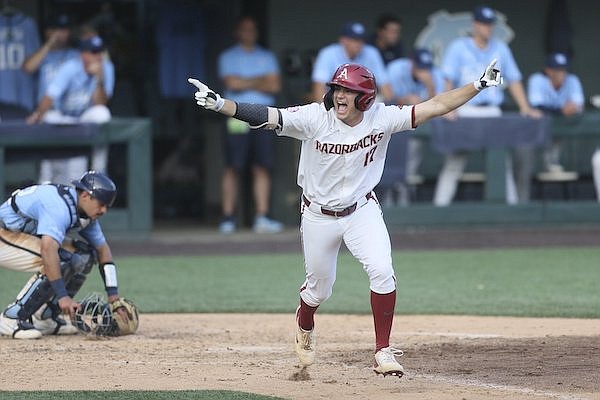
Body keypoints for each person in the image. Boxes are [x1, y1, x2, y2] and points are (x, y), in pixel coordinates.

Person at [188, 58, 503, 376]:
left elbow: (435, 105)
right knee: (318, 290)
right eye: (337, 88)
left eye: (348, 90)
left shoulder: (382, 117)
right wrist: (221, 104)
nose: (339, 95)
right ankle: (305, 320)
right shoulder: (315, 117)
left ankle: (382, 351)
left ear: (364, 97)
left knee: (382, 271)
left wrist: (479, 84)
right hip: (318, 215)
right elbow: (268, 116)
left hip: (361, 210)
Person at [433, 5, 542, 206]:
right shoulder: (459, 46)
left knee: (501, 163)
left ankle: (511, 209)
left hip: (492, 111)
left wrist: (524, 107)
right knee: (454, 164)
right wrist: (449, 107)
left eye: (490, 24)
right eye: (484, 23)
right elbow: (447, 79)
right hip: (466, 111)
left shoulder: (500, 48)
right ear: (475, 24)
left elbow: (515, 79)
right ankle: (439, 207)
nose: (488, 28)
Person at [0, 171, 126, 339]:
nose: (104, 210)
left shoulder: (83, 211)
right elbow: (47, 249)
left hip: (18, 234)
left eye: (107, 206)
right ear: (85, 195)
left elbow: (103, 250)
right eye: (101, 204)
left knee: (85, 255)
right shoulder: (59, 207)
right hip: (4, 233)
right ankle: (12, 317)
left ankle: (45, 318)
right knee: (59, 259)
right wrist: (63, 296)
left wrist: (114, 297)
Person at [217, 16, 283, 234]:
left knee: (261, 166)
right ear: (238, 32)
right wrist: (259, 80)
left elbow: (274, 85)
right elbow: (231, 83)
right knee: (233, 166)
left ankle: (261, 217)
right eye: (245, 29)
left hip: (264, 115)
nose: (249, 33)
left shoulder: (267, 56)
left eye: (252, 29)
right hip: (235, 114)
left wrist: (245, 81)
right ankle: (228, 217)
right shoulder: (228, 56)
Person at [25, 35, 115, 185]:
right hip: (64, 116)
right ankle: (45, 181)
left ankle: (99, 172)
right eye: (93, 52)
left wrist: (98, 78)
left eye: (100, 51)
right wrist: (38, 114)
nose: (98, 56)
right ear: (83, 54)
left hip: (85, 118)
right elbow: (50, 95)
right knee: (50, 119)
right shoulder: (71, 67)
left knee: (103, 114)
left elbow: (101, 103)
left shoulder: (106, 68)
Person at [383, 48, 445, 204]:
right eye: (420, 67)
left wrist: (430, 86)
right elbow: (386, 98)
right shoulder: (396, 68)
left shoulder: (434, 75)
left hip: (414, 125)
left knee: (411, 158)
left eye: (426, 68)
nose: (423, 71)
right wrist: (405, 100)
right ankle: (388, 192)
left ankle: (404, 192)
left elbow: (437, 105)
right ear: (411, 63)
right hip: (392, 122)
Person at [310, 21, 393, 103]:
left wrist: (388, 107)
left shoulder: (371, 53)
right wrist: (325, 112)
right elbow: (319, 86)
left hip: (362, 103)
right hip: (336, 101)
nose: (359, 44)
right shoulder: (328, 53)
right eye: (355, 40)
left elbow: (384, 84)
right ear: (343, 40)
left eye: (361, 40)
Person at [527, 52, 584, 172]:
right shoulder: (537, 80)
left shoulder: (572, 80)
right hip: (538, 134)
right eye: (558, 70)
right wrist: (561, 111)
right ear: (548, 70)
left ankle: (553, 162)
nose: (562, 74)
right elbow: (536, 106)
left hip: (563, 135)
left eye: (564, 70)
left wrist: (572, 109)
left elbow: (578, 105)